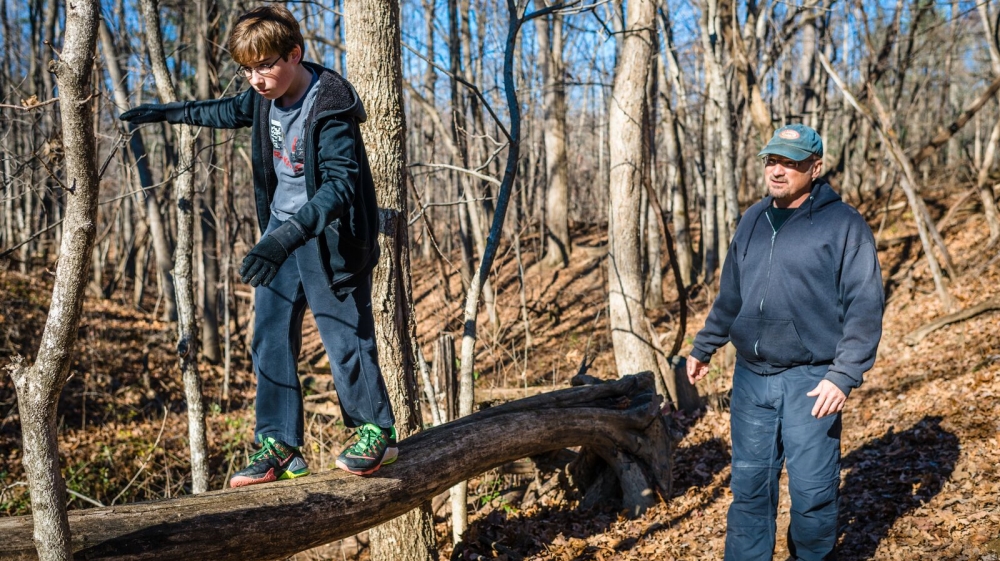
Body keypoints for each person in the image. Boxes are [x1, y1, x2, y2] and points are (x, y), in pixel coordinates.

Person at [120, 5, 398, 486]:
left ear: (294, 54)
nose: (256, 79)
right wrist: (170, 113)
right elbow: (227, 111)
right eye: (247, 69)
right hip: (281, 231)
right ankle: (280, 446)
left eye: (265, 65)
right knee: (267, 335)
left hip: (330, 238)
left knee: (344, 339)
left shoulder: (330, 105)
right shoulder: (262, 96)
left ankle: (377, 432)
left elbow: (339, 186)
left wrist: (286, 238)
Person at [686, 124, 884, 560]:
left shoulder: (843, 224)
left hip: (812, 382)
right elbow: (732, 294)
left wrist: (843, 375)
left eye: (791, 163)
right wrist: (705, 345)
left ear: (815, 168)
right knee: (750, 490)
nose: (777, 170)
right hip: (751, 380)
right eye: (772, 160)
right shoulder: (753, 219)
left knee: (813, 493)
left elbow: (865, 306)